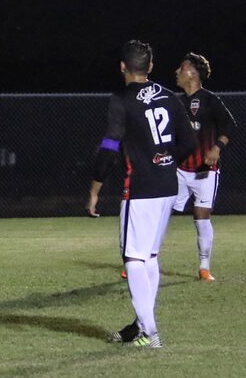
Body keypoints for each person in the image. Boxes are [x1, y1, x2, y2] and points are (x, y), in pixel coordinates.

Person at [87, 40, 194, 348]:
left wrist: (95, 187)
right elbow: (187, 142)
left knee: (133, 258)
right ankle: (140, 325)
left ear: (122, 67)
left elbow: (109, 146)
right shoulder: (170, 97)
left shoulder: (121, 99)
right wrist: (166, 160)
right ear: (150, 67)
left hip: (141, 188)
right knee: (148, 256)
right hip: (166, 186)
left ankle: (150, 332)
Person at [173, 53, 235, 282]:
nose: (177, 71)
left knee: (201, 216)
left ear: (193, 72)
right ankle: (141, 260)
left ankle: (204, 267)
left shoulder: (210, 100)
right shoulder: (175, 101)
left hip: (204, 171)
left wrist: (217, 148)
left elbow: (229, 126)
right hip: (178, 170)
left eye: (182, 67)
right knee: (159, 212)